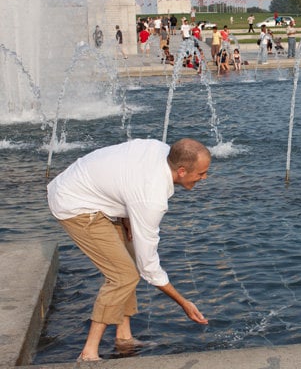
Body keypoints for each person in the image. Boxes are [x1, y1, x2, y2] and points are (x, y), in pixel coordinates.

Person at [47, 138, 212, 361]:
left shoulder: (163, 152)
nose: (204, 177)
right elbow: (149, 266)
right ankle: (88, 353)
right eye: (201, 173)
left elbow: (125, 175)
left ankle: (123, 337)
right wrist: (183, 302)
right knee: (123, 275)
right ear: (181, 171)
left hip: (94, 195)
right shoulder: (151, 197)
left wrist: (125, 215)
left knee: (129, 264)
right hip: (74, 203)